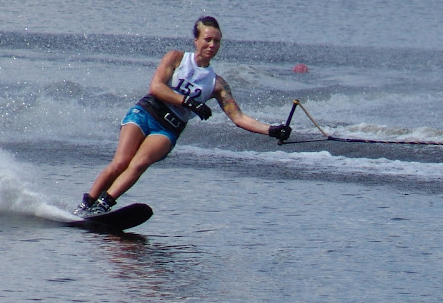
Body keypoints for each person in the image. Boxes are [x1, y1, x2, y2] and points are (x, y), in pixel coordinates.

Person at [73, 16, 291, 217]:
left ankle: (103, 206)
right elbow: (156, 87)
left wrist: (271, 130)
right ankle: (85, 204)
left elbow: (239, 118)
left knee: (139, 164)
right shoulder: (176, 58)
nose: (211, 46)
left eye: (216, 42)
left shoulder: (217, 84)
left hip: (167, 128)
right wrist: (189, 102)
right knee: (121, 162)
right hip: (145, 113)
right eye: (207, 39)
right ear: (196, 40)